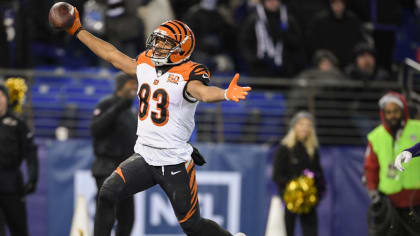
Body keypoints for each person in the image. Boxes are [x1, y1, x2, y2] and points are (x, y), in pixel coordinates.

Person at [56, 5, 250, 236]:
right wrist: (78, 30)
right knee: (107, 192)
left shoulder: (190, 72)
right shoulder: (146, 63)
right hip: (145, 156)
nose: (158, 46)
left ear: (181, 48)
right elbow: (112, 55)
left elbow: (202, 93)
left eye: (166, 43)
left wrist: (225, 94)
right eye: (157, 40)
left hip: (174, 160)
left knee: (192, 226)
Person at [364, 91, 420, 236]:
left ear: (403, 110)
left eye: (396, 111)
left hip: (417, 199)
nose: (392, 115)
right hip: (389, 202)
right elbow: (371, 167)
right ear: (383, 114)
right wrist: (373, 191)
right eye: (388, 112)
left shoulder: (418, 128)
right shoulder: (375, 136)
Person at [90, 72, 138, 236]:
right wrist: (116, 109)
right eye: (131, 83)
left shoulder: (132, 112)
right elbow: (95, 129)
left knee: (128, 218)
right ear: (121, 86)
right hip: (106, 168)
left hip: (126, 170)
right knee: (107, 215)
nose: (135, 87)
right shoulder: (106, 104)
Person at [272, 111, 325, 236]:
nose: (304, 128)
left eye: (308, 125)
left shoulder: (313, 150)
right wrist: (293, 188)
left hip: (308, 201)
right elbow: (277, 175)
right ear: (294, 126)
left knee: (311, 231)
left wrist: (312, 192)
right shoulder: (284, 148)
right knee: (287, 231)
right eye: (301, 124)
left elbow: (319, 174)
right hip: (288, 200)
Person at [0, 84, 38, 236]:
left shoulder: (18, 124)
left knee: (19, 228)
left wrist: (33, 177)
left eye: (1, 96)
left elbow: (30, 153)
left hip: (12, 185)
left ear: (7, 100)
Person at [239, 0, 305, 78]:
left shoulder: (288, 20)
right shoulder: (253, 19)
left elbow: (297, 42)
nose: (273, 2)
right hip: (259, 70)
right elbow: (244, 43)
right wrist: (254, 60)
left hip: (284, 70)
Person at [306, 0, 365, 68]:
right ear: (330, 4)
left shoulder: (353, 21)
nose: (337, 6)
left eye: (340, 3)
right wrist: (322, 59)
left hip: (349, 64)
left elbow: (359, 42)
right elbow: (313, 43)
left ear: (344, 4)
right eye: (335, 3)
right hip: (326, 64)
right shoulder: (319, 21)